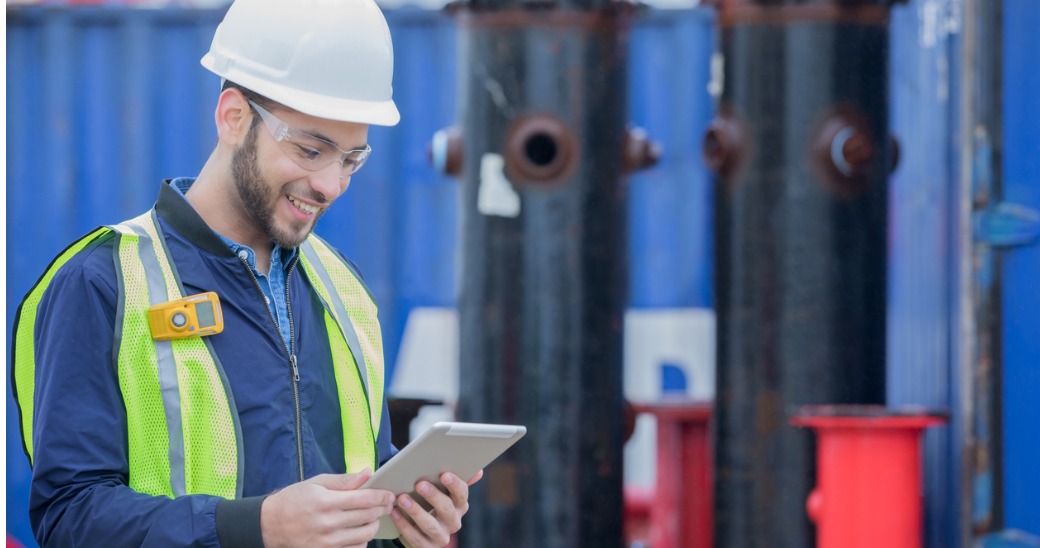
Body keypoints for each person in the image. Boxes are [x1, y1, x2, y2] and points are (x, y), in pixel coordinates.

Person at [10, 0, 478, 546]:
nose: (331, 185)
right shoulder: (100, 283)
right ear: (234, 117)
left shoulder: (343, 290)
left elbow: (357, 488)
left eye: (351, 159)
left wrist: (406, 526)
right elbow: (68, 517)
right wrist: (256, 527)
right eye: (310, 150)